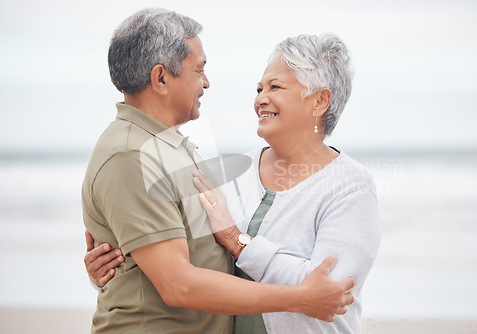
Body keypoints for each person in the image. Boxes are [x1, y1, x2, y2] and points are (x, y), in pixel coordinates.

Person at [86, 31, 380, 334]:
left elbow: (329, 291)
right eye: (259, 88)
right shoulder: (233, 173)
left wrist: (238, 242)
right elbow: (185, 269)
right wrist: (115, 269)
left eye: (275, 87)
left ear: (320, 100)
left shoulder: (351, 187)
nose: (260, 99)